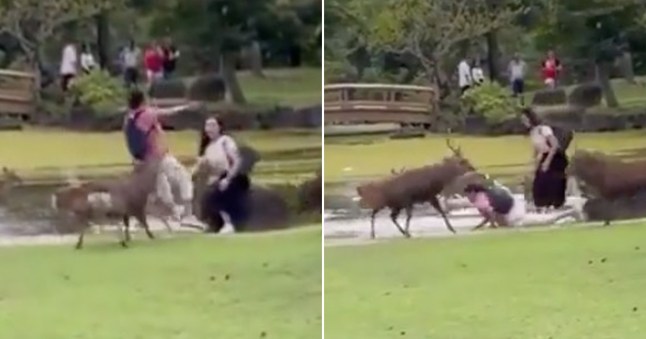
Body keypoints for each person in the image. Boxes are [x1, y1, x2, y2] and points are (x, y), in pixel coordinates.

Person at [123, 89, 198, 224]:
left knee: (161, 186)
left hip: (143, 160)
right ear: (143, 100)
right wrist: (186, 107)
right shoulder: (148, 114)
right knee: (183, 177)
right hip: (158, 156)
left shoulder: (130, 117)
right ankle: (188, 213)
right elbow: (168, 112)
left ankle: (175, 211)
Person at [192, 116, 251, 232]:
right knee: (204, 194)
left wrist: (227, 179)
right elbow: (202, 166)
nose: (210, 128)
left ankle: (229, 223)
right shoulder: (207, 148)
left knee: (217, 193)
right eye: (207, 125)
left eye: (213, 125)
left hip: (233, 175)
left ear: (219, 127)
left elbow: (236, 161)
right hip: (218, 178)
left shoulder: (225, 141)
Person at [464, 183, 583, 229]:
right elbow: (490, 214)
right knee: (541, 220)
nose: (468, 198)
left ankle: (570, 213)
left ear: (473, 192)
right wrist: (482, 226)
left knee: (545, 222)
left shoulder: (479, 199)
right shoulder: (485, 194)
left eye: (468, 195)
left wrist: (493, 225)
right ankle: (569, 214)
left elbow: (490, 212)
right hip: (516, 205)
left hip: (514, 215)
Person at [520, 108, 570, 213]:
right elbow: (538, 147)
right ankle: (543, 205)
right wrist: (535, 160)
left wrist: (547, 161)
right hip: (543, 156)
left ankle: (555, 205)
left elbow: (554, 145)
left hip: (554, 157)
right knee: (539, 183)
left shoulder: (543, 129)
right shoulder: (533, 132)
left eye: (525, 120)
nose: (524, 123)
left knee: (552, 181)